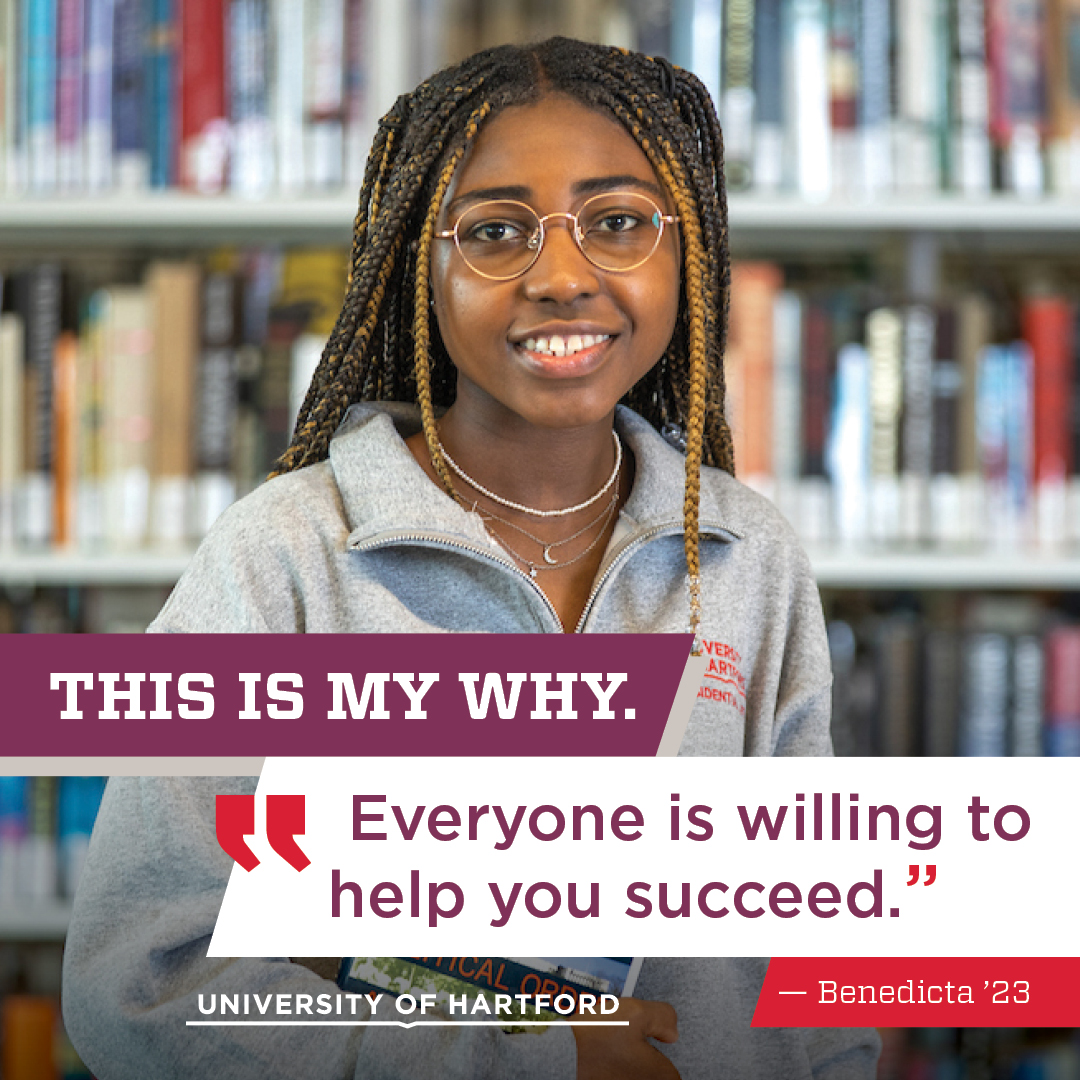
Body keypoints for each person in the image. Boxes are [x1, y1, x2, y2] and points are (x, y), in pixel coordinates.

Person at [62, 37, 879, 1079]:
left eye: (619, 223)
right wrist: (524, 1061)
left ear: (692, 257)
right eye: (494, 233)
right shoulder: (289, 556)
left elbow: (809, 953)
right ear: (422, 268)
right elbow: (140, 981)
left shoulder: (748, 554)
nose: (562, 277)